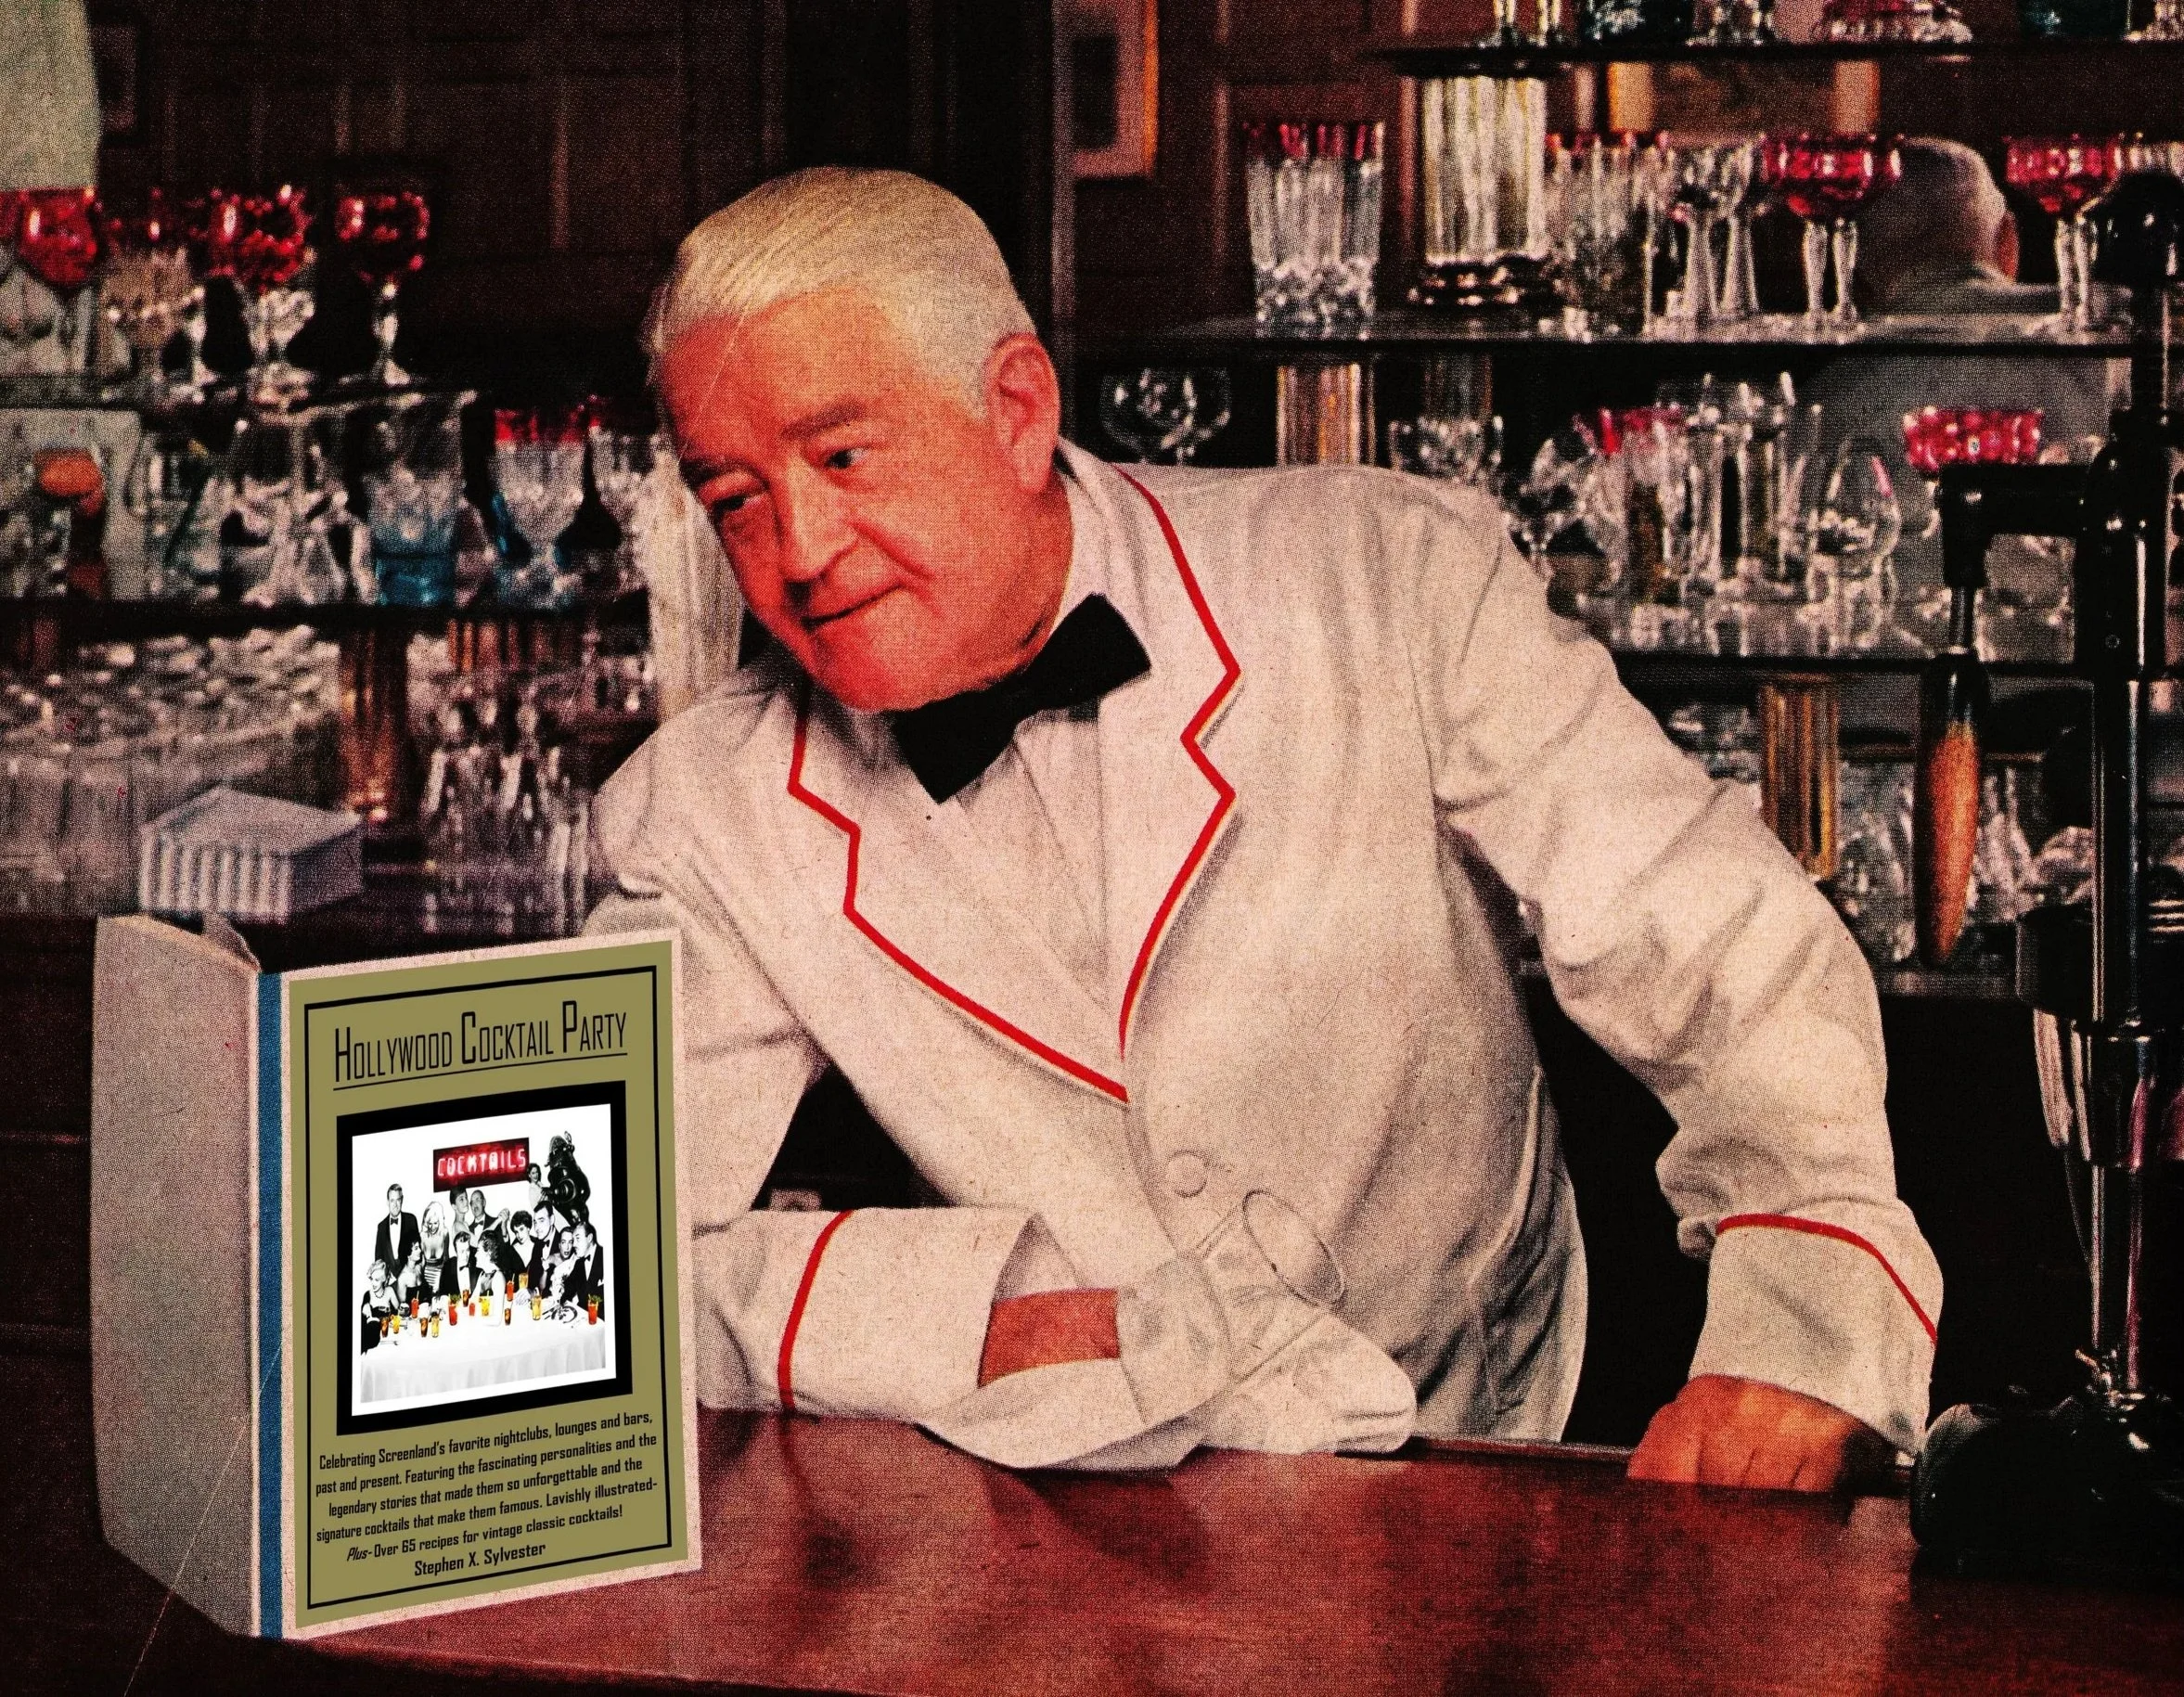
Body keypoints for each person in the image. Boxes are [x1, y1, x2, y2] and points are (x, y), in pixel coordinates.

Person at [585, 166, 1942, 1485]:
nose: (800, 550)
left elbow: (1717, 947)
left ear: (1013, 408)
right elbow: (571, 1271)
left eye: (842, 455)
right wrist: (970, 1322)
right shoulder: (699, 810)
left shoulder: (1384, 576)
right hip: (1068, 1494)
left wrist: (1808, 1315)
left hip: (1480, 1450)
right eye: (735, 499)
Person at [1808, 138, 2123, 650]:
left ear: (1855, 273)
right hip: (2084, 675)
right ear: (2009, 242)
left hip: (1882, 687)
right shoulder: (2108, 338)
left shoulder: (1822, 396)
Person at [371, 1183, 421, 1279]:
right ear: (387, 1202)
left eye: (398, 1200)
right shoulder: (381, 1227)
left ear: (402, 1200)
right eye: (392, 1200)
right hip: (389, 1280)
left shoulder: (411, 1220)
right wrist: (386, 1278)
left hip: (409, 1278)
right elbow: (378, 1258)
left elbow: (418, 1250)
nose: (395, 1205)